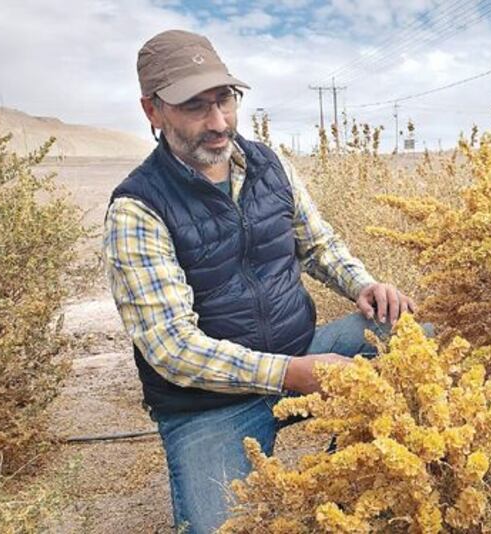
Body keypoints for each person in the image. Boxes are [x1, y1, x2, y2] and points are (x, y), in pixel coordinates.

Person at [104, 29, 418, 533]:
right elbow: (172, 348)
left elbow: (317, 244)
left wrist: (363, 286)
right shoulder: (137, 209)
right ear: (152, 111)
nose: (218, 122)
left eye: (225, 99)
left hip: (302, 353)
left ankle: (344, 480)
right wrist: (291, 374)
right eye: (194, 106)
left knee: (405, 337)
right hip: (208, 404)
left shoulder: (270, 165)